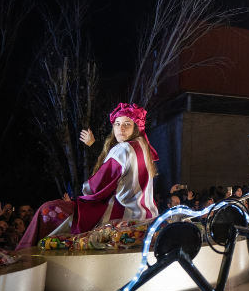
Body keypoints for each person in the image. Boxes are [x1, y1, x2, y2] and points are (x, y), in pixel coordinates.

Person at [18, 103, 160, 248]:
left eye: (127, 124)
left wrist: (85, 191)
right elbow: (112, 163)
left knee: (47, 209)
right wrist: (92, 144)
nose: (120, 128)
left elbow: (97, 186)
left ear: (136, 127)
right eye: (117, 124)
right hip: (147, 214)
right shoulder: (142, 146)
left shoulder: (123, 148)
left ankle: (27, 251)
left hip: (123, 214)